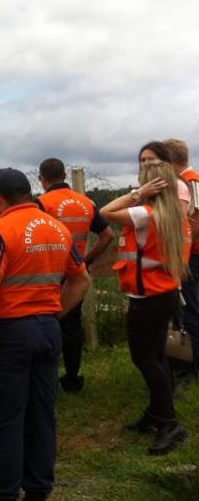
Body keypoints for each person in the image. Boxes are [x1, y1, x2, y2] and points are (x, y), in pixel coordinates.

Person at [0, 168, 91, 501]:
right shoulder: (59, 229)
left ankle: (6, 491)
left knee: (5, 417)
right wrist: (54, 312)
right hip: (48, 330)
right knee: (41, 413)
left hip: (10, 334)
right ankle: (38, 489)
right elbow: (81, 280)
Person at [100, 160, 188, 455]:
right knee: (156, 356)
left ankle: (169, 423)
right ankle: (156, 413)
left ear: (151, 184)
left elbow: (105, 212)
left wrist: (138, 193)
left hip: (147, 297)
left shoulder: (144, 214)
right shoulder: (177, 215)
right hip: (167, 294)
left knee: (145, 359)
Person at [37, 158, 115, 393]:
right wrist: (85, 260)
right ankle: (72, 377)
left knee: (45, 322)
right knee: (71, 324)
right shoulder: (86, 203)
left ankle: (45, 376)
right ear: (64, 176)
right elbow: (108, 235)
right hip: (76, 273)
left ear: (42, 179)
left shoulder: (41, 203)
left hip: (50, 272)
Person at [163, 139, 199, 379]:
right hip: (191, 253)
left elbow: (195, 222)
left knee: (190, 309)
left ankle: (192, 366)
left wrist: (180, 253)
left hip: (191, 256)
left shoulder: (189, 181)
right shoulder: (190, 180)